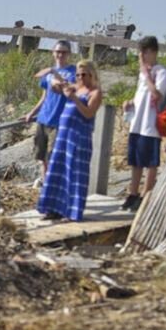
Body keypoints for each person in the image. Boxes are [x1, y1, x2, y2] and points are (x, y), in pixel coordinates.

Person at [37, 59, 103, 223]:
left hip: (79, 138)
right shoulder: (74, 86)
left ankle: (71, 212)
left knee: (74, 174)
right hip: (63, 136)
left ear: (92, 74)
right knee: (57, 170)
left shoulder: (95, 93)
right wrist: (53, 74)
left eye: (84, 75)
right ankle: (53, 209)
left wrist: (74, 98)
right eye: (78, 75)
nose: (81, 78)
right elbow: (59, 85)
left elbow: (88, 113)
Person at [119, 35, 166, 213]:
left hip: (151, 126)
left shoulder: (160, 72)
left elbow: (157, 94)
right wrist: (129, 103)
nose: (141, 56)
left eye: (144, 52)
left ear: (153, 52)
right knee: (135, 161)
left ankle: (146, 196)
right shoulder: (143, 75)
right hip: (137, 123)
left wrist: (146, 73)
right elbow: (141, 97)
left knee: (150, 163)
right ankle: (132, 194)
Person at [22, 40, 77, 181]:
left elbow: (69, 89)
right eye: (58, 51)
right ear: (53, 53)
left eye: (64, 52)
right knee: (42, 156)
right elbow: (44, 97)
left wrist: (55, 75)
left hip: (61, 120)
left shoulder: (73, 72)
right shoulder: (47, 74)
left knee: (55, 155)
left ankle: (54, 183)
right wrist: (32, 113)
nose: (60, 55)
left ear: (69, 54)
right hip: (44, 117)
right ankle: (44, 181)